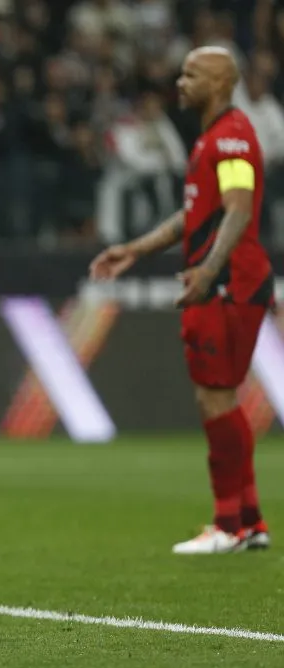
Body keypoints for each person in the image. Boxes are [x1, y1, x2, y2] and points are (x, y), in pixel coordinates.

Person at [90, 46, 273, 555]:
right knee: (219, 396)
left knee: (215, 397)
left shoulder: (232, 138)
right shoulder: (212, 138)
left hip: (227, 282)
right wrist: (135, 249)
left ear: (219, 82)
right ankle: (249, 521)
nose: (180, 81)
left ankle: (228, 524)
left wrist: (209, 272)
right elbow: (193, 216)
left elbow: (237, 211)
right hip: (221, 279)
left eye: (192, 74)